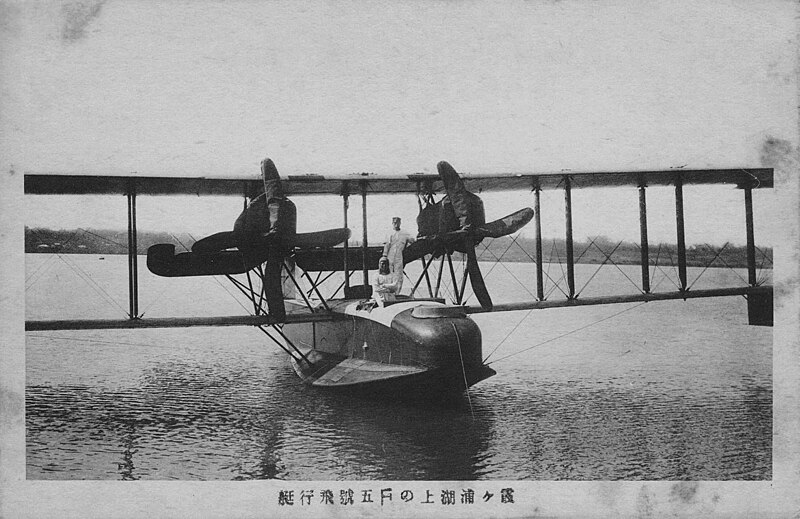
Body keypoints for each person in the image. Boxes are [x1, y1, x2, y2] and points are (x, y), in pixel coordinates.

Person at [381, 216, 415, 293]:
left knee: (399, 275)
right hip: (390, 256)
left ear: (400, 223)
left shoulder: (404, 233)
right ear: (392, 223)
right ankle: (387, 292)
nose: (396, 224)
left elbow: (412, 240)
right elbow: (387, 245)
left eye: (398, 223)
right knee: (388, 274)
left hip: (399, 256)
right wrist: (384, 256)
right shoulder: (389, 233)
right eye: (394, 223)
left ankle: (397, 292)